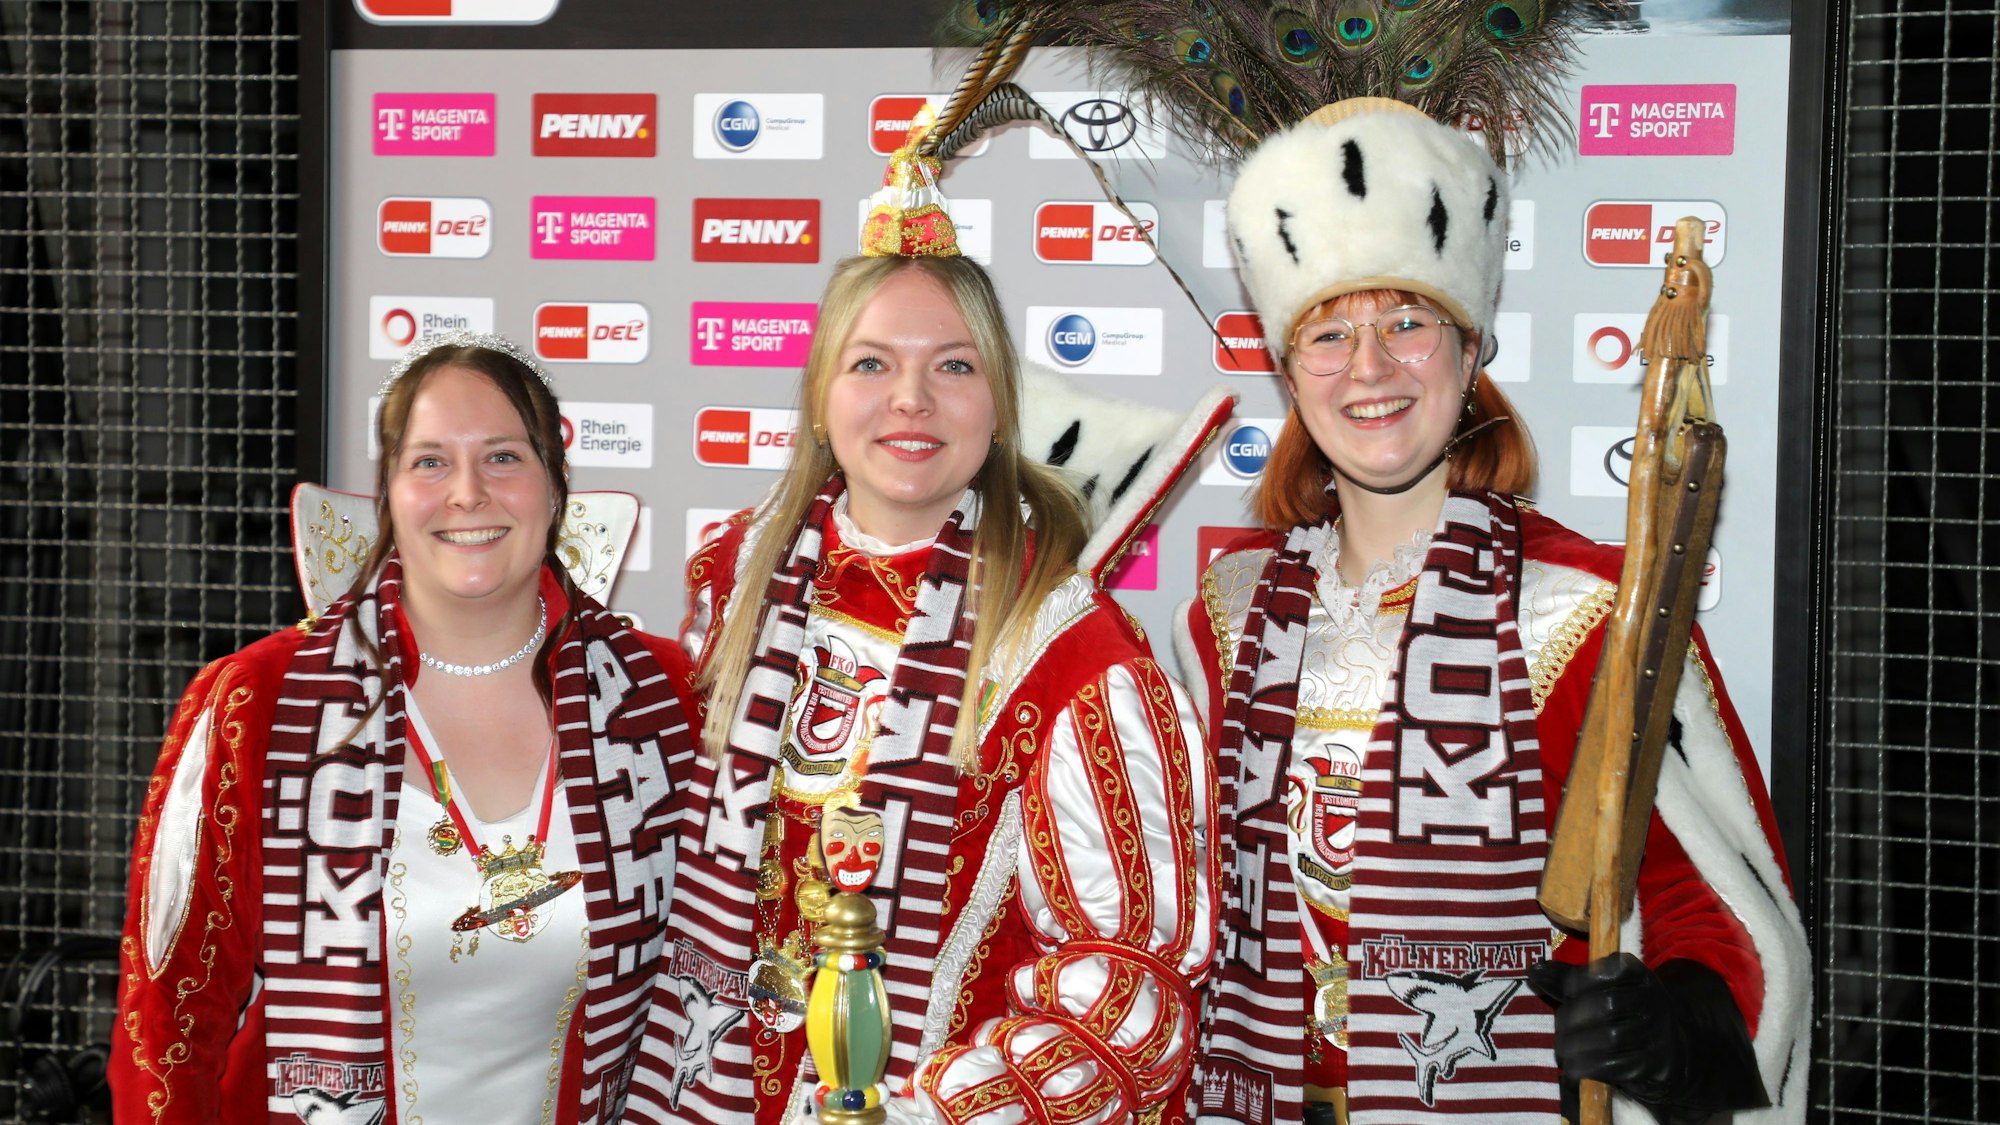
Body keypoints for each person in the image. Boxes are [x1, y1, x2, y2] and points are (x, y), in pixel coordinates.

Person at [1171, 98, 1811, 1123]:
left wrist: (1667, 1024)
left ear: (1469, 353)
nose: (1368, 367)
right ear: (1286, 373)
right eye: (1327, 333)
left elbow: (1719, 913)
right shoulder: (1225, 612)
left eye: (1406, 323)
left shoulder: (1590, 607)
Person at [636, 211, 1219, 1119]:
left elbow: (1129, 993)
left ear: (998, 406)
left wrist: (909, 1112)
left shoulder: (1070, 652)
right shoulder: (740, 577)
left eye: (954, 365)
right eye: (872, 363)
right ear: (822, 397)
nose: (911, 398)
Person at [110, 334, 697, 1124]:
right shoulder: (259, 702)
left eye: (503, 457)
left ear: (557, 483)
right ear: (387, 491)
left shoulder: (665, 698)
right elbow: (170, 1022)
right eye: (429, 462)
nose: (466, 493)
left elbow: (720, 982)